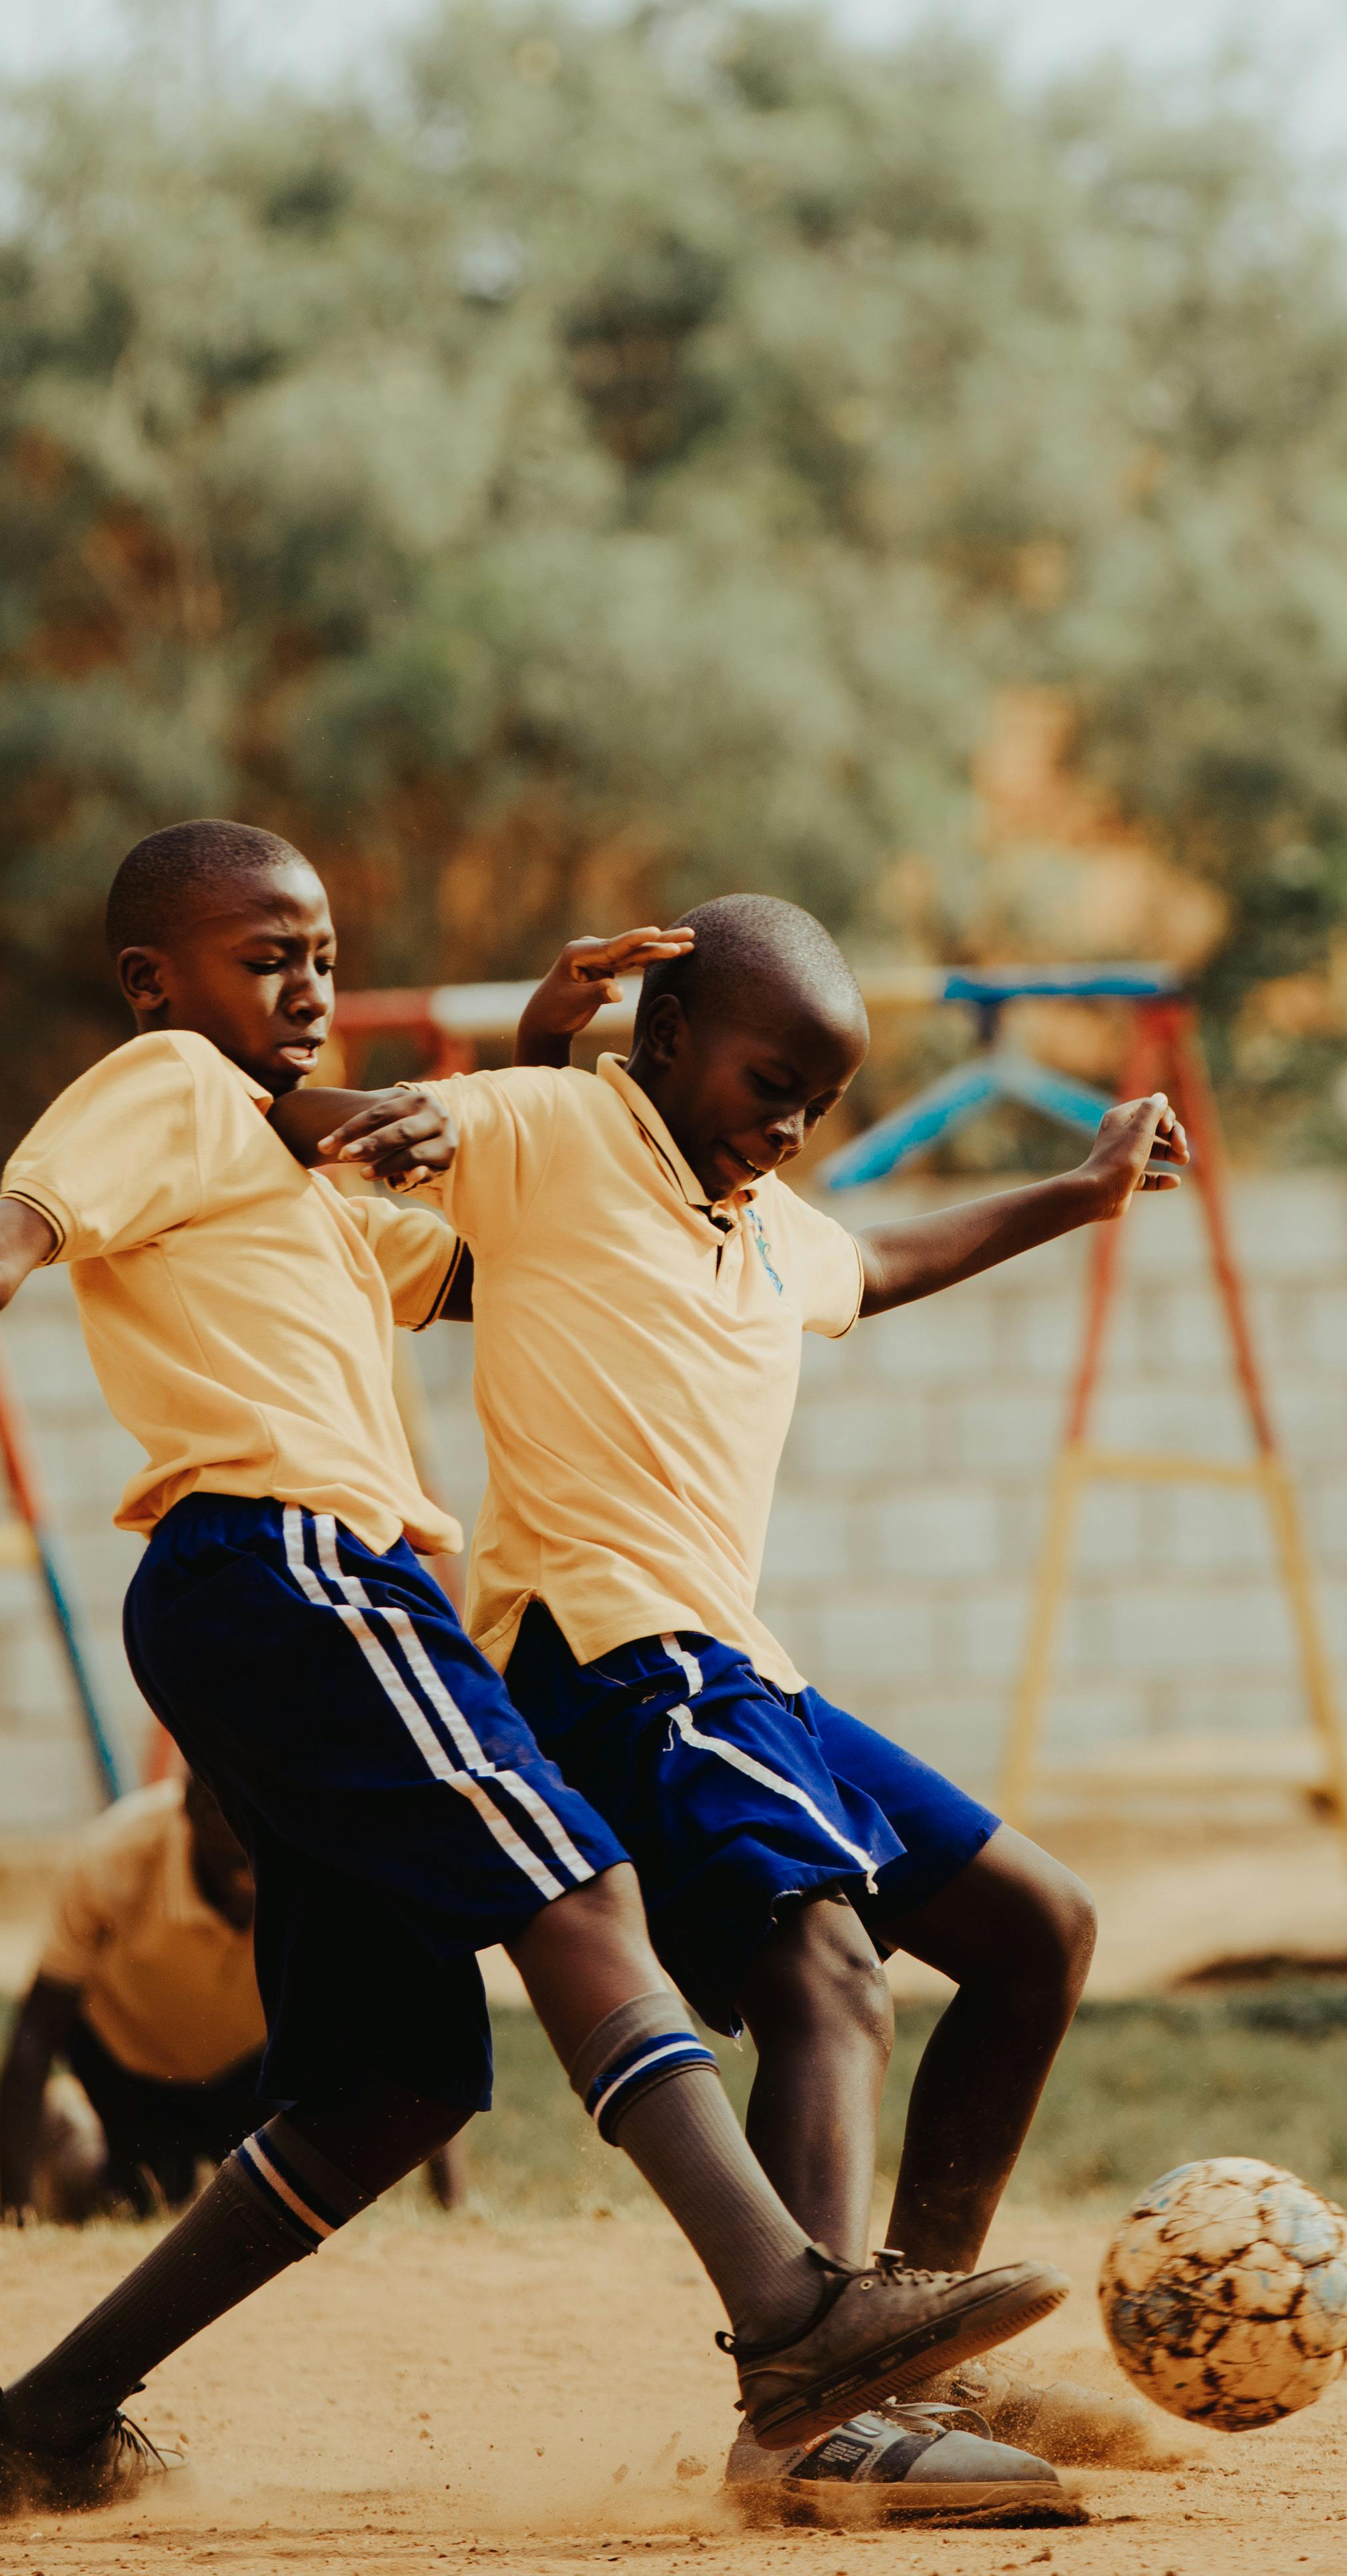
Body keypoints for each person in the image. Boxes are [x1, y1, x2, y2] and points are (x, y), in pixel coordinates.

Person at [0, 827, 1067, 2523]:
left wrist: (543, 1065)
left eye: (322, 951)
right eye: (266, 954)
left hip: (285, 1591)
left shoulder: (303, 1186)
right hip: (289, 1560)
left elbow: (542, 1255)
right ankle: (796, 2321)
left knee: (386, 2086)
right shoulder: (166, 1085)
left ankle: (43, 2421)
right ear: (152, 982)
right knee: (580, 1892)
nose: (308, 984)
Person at [284, 895, 1184, 2519]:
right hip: (609, 1652)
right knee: (827, 1973)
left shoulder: (763, 1226)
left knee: (1032, 1930)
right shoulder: (564, 1126)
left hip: (734, 1663)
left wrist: (1078, 1189)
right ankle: (806, 2409)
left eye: (816, 1106)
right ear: (668, 1037)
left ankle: (894, 2345)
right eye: (767, 1080)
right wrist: (476, 1072)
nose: (784, 1126)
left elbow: (880, 1260)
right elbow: (404, 1129)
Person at [0, 1769, 465, 2222]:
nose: (251, 1867)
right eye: (232, 1840)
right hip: (127, 2067)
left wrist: (452, 2204)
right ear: (193, 1810)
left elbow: (406, 2026)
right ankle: (71, 2129)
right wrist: (13, 2214)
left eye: (264, 1838)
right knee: (126, 2201)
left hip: (254, 2069)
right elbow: (36, 2032)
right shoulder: (115, 1856)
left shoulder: (332, 1853)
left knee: (286, 2203)